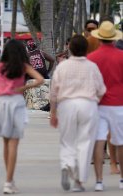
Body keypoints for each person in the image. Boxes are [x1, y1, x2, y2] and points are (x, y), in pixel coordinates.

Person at [0, 39, 44, 194]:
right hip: (16, 103)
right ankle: (9, 181)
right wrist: (24, 87)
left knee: (5, 143)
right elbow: (40, 79)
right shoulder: (23, 67)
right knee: (14, 144)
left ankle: (9, 180)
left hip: (1, 104)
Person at [50, 34, 106, 192]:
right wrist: (94, 102)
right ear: (86, 49)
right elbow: (101, 90)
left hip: (67, 104)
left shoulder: (62, 66)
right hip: (88, 104)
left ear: (69, 48)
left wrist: (53, 113)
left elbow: (54, 92)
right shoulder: (92, 66)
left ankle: (67, 165)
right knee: (85, 143)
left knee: (67, 140)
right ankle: (78, 181)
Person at [87, 21, 123, 191]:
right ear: (114, 39)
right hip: (118, 103)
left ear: (99, 38)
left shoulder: (91, 58)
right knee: (120, 141)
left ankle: (99, 181)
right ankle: (122, 179)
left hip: (98, 104)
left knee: (99, 141)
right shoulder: (122, 56)